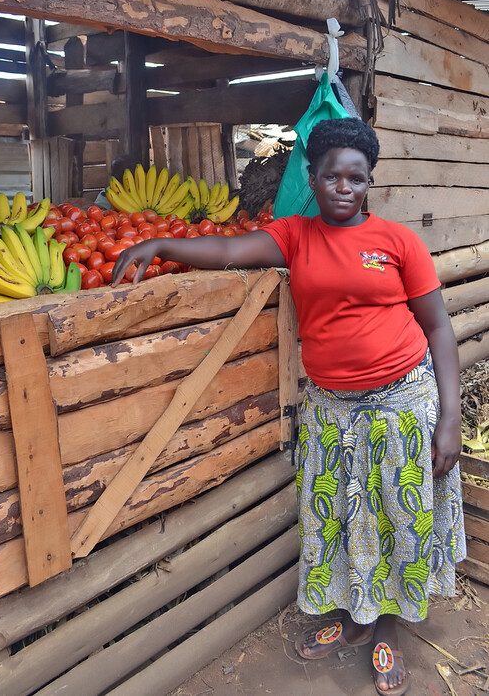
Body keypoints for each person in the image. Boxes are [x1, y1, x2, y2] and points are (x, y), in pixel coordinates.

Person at [112, 118, 465, 696]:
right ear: (313, 177)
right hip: (330, 410)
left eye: (355, 177)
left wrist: (450, 419)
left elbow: (439, 329)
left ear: (369, 180)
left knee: (397, 519)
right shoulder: (295, 235)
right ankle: (354, 620)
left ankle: (387, 631)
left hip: (402, 404)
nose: (343, 188)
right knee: (343, 520)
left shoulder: (400, 243)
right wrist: (161, 243)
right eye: (331, 176)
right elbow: (228, 249)